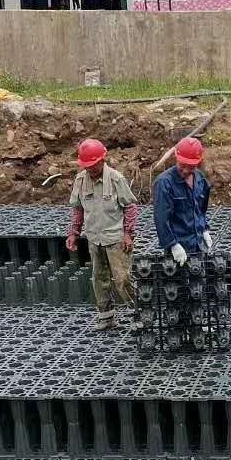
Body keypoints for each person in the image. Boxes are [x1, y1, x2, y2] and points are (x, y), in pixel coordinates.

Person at [67, 139, 138, 331]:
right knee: (99, 278)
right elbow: (78, 209)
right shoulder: (81, 180)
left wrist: (128, 234)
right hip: (94, 238)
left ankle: (138, 314)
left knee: (122, 279)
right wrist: (74, 233)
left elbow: (130, 207)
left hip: (115, 239)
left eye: (93, 165)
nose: (90, 169)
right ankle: (106, 316)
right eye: (86, 166)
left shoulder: (116, 179)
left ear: (102, 160)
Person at [152, 136, 213, 263]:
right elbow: (161, 218)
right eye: (182, 165)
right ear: (176, 157)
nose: (185, 170)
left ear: (198, 163)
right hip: (178, 249)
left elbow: (201, 209)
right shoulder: (164, 183)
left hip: (198, 245)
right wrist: (172, 244)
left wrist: (205, 229)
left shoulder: (200, 179)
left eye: (190, 166)